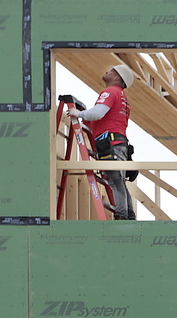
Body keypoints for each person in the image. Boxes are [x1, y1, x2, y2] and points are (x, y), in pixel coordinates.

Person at [67, 65, 136, 220]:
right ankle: (129, 216)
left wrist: (78, 113)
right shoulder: (122, 97)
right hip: (119, 143)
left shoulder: (111, 92)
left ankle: (122, 217)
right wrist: (87, 118)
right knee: (120, 182)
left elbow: (98, 113)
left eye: (111, 71)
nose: (106, 72)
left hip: (111, 143)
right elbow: (107, 118)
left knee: (115, 182)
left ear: (117, 78)